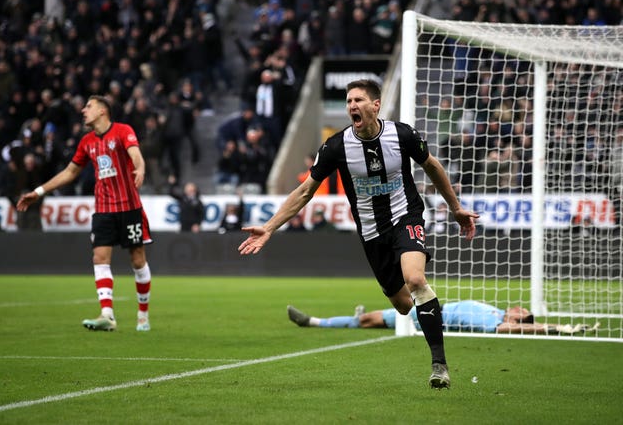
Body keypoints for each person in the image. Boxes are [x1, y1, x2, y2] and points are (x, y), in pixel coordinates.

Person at [239, 79, 480, 389]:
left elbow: (432, 165)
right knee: (405, 304)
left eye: (358, 100)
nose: (352, 105)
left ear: (375, 105)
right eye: (349, 101)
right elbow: (304, 192)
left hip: (406, 215)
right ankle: (435, 310)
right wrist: (270, 227)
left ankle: (439, 365)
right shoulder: (336, 147)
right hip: (371, 232)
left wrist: (455, 207)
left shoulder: (402, 135)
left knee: (416, 280)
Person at [17, 95, 153, 332]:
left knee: (138, 260)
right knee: (99, 258)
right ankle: (107, 315)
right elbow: (70, 172)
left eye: (88, 107)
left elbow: (135, 154)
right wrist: (38, 192)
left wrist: (140, 168)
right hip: (103, 210)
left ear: (103, 111)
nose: (83, 110)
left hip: (130, 208)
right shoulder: (87, 142)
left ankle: (143, 314)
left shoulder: (122, 131)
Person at [286, 302, 600, 335]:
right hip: (429, 305)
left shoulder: (494, 323)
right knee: (368, 318)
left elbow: (514, 330)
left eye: (522, 314)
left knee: (368, 320)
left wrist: (557, 328)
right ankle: (316, 322)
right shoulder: (494, 310)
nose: (519, 308)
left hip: (428, 317)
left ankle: (313, 323)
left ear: (518, 320)